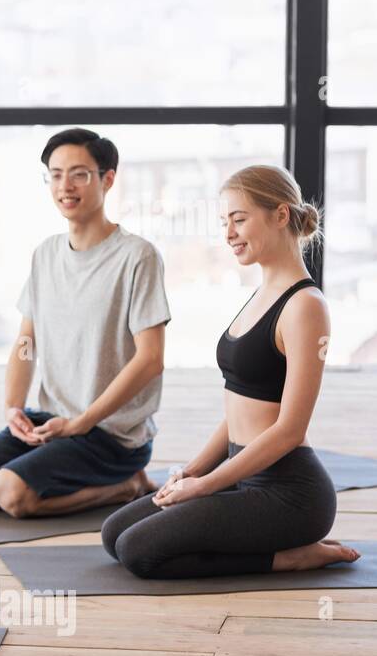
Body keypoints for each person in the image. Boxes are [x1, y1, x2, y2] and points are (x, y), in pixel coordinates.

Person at [102, 165, 361, 578]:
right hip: (239, 473)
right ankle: (262, 535)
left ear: (280, 215)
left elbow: (290, 429)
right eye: (225, 223)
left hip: (288, 493)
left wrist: (205, 487)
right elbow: (241, 410)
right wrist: (193, 470)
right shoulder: (262, 294)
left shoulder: (306, 307)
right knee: (114, 532)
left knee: (138, 551)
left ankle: (290, 557)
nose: (228, 234)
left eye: (239, 220)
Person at [0, 128, 169, 518]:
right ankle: (63, 455)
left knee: (11, 493)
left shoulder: (137, 256)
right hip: (52, 420)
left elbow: (151, 359)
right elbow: (26, 342)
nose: (64, 186)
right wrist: (13, 408)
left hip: (111, 434)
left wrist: (82, 422)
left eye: (79, 174)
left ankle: (128, 485)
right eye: (55, 175)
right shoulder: (46, 254)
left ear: (107, 179)